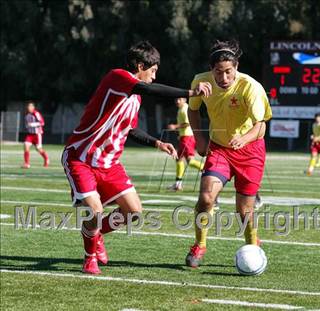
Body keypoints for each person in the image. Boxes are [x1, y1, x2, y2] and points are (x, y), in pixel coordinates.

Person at [61, 41, 211, 274]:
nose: (153, 76)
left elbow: (130, 129)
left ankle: (96, 232)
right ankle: (89, 256)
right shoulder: (118, 77)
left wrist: (157, 142)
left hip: (110, 163)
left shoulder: (134, 96)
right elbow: (149, 89)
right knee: (94, 208)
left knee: (133, 212)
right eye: (152, 70)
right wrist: (191, 92)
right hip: (81, 157)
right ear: (140, 65)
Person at [185, 40, 272, 268]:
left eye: (228, 72)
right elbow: (192, 109)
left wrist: (243, 139)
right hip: (220, 148)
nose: (223, 78)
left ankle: (253, 244)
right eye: (218, 72)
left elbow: (261, 126)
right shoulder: (200, 81)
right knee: (206, 198)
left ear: (236, 67)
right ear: (211, 70)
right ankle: (200, 244)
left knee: (244, 210)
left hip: (250, 151)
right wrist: (199, 138)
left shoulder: (250, 87)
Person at [167, 98, 204, 191]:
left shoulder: (185, 109)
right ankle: (178, 184)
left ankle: (208, 170)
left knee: (190, 161)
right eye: (176, 99)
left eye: (179, 99)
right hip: (184, 137)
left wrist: (175, 126)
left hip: (188, 137)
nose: (177, 101)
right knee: (179, 159)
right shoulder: (181, 108)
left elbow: (188, 123)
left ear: (184, 99)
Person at [22, 101, 49, 168]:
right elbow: (26, 124)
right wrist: (27, 126)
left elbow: (42, 123)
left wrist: (32, 124)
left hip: (37, 134)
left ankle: (46, 158)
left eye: (31, 106)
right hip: (30, 134)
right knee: (26, 145)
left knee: (38, 149)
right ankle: (27, 164)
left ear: (33, 107)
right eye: (28, 106)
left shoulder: (36, 113)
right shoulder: (26, 114)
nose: (29, 107)